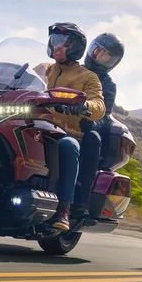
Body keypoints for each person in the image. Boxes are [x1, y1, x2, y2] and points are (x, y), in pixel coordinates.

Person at [40, 22, 106, 232]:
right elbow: (20, 82)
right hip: (34, 125)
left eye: (64, 43)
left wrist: (84, 106)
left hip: (65, 132)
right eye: (55, 41)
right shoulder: (44, 69)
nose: (58, 46)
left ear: (76, 47)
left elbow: (99, 105)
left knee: (69, 147)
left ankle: (63, 209)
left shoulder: (88, 77)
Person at [72, 32, 125, 215]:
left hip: (85, 126)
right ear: (91, 49)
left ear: (113, 63)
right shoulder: (71, 69)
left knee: (93, 138)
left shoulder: (108, 85)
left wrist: (91, 123)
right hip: (59, 119)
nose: (100, 58)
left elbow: (104, 113)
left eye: (106, 58)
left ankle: (81, 200)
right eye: (98, 52)